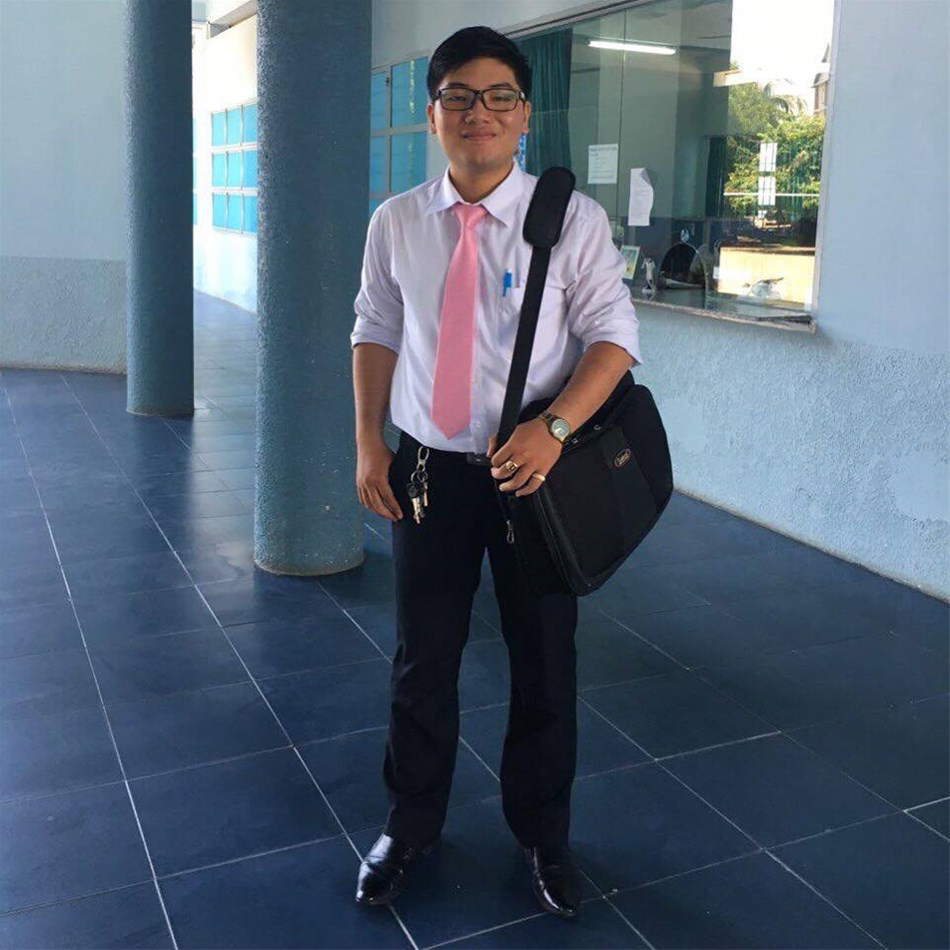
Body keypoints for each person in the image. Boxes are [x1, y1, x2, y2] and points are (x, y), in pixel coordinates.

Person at [350, 25, 641, 919]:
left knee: (544, 662)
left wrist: (554, 428)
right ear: (432, 114)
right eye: (459, 96)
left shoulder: (573, 221)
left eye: (500, 96)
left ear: (524, 116)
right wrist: (369, 441)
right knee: (422, 659)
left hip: (534, 476)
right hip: (428, 472)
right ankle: (410, 823)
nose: (479, 112)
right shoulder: (398, 221)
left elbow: (614, 338)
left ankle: (544, 837)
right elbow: (376, 328)